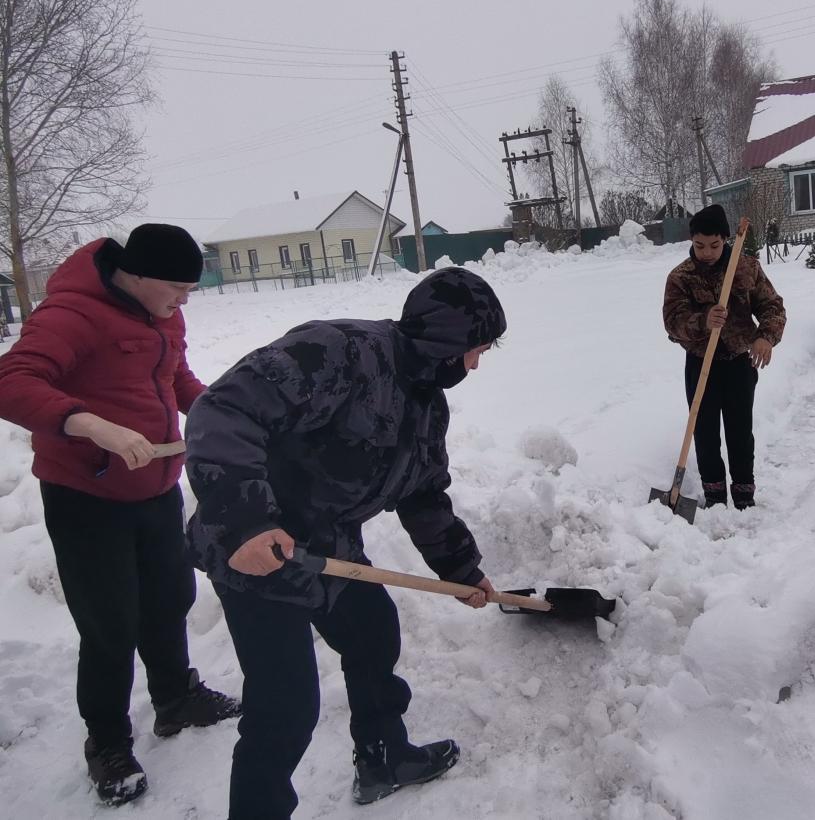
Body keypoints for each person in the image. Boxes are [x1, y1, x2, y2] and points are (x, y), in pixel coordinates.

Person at [185, 267, 507, 820]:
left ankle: (383, 758)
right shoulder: (337, 353)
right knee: (285, 709)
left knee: (373, 636)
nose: (476, 364)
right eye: (475, 349)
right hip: (258, 550)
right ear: (446, 343)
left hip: (329, 548)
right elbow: (223, 409)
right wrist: (246, 521)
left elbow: (424, 492)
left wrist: (461, 568)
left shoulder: (426, 399)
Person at [0, 224, 241, 807]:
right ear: (138, 276)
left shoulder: (162, 316)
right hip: (87, 496)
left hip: (156, 486)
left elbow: (174, 377)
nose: (185, 301)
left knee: (168, 599)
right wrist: (90, 424)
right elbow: (11, 381)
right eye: (178, 288)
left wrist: (219, 413)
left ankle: (175, 697)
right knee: (109, 625)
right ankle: (107, 743)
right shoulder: (71, 314)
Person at [662, 204, 786, 510]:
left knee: (740, 429)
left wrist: (764, 337)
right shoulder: (681, 276)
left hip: (738, 362)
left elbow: (773, 307)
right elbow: (672, 321)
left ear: (726, 239)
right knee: (703, 430)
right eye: (699, 245)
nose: (707, 252)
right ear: (691, 241)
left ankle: (744, 493)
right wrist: (703, 320)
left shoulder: (746, 267)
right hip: (700, 362)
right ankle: (714, 495)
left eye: (715, 245)